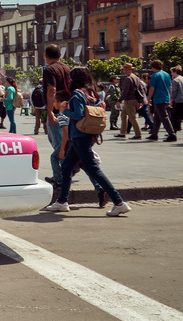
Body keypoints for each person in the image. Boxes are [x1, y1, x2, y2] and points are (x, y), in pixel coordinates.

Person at [44, 67, 130, 217]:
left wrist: (65, 111)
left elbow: (77, 114)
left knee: (94, 170)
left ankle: (119, 202)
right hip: (88, 135)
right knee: (66, 166)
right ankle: (63, 201)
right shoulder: (91, 92)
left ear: (74, 79)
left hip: (79, 136)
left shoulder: (77, 94)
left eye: (71, 78)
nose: (69, 80)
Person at [53, 90, 108, 208]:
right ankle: (100, 190)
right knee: (84, 166)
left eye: (54, 101)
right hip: (82, 139)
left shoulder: (64, 113)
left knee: (58, 160)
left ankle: (59, 185)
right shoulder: (87, 95)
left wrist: (62, 149)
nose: (53, 104)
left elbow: (66, 132)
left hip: (74, 142)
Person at [42, 44, 71, 189]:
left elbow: (51, 90)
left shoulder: (49, 70)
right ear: (60, 55)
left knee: (60, 145)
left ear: (45, 56)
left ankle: (62, 178)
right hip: (67, 108)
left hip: (57, 109)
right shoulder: (67, 68)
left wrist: (50, 111)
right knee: (57, 141)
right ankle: (62, 173)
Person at [147, 60, 176, 142]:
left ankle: (172, 134)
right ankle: (154, 134)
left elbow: (152, 88)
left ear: (153, 67)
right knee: (157, 117)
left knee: (164, 117)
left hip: (158, 98)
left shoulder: (154, 76)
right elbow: (170, 87)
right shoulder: (167, 74)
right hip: (165, 97)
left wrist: (149, 98)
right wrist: (170, 98)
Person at [116, 62, 143, 139]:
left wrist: (119, 100)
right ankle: (122, 132)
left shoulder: (128, 79)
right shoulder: (136, 77)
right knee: (123, 115)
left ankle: (138, 134)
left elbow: (125, 91)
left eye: (124, 69)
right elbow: (141, 90)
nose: (124, 71)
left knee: (132, 117)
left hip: (129, 100)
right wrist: (140, 101)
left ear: (127, 70)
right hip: (135, 99)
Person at [171, 65, 183, 133]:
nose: (171, 74)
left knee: (174, 117)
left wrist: (171, 100)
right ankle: (173, 131)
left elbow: (174, 92)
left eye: (172, 72)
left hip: (178, 101)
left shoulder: (175, 80)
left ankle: (173, 132)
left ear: (175, 72)